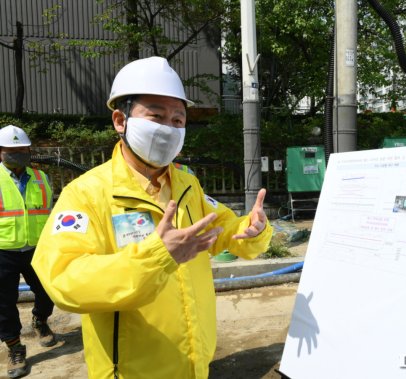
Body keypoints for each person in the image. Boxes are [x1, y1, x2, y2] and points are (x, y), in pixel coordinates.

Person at [31, 56, 273, 379]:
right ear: (120, 120)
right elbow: (63, 278)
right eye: (156, 116)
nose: (168, 129)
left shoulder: (188, 185)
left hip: (194, 366)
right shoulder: (88, 194)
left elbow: (226, 230)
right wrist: (157, 257)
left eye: (177, 120)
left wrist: (253, 229)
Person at [0, 125, 56, 379]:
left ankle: (40, 320)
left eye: (22, 149)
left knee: (49, 290)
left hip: (37, 248)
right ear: (1, 152)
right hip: (3, 250)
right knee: (4, 304)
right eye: (11, 150)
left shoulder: (41, 178)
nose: (17, 154)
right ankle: (14, 347)